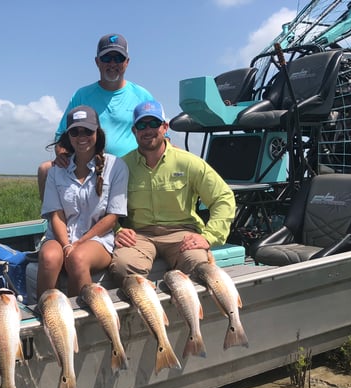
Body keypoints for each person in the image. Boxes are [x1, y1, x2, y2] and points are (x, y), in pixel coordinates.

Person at [110, 100, 236, 282]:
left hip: (182, 234)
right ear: (134, 130)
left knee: (199, 265)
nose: (148, 130)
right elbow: (102, 205)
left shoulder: (188, 162)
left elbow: (223, 197)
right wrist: (117, 230)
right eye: (141, 124)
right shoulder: (122, 166)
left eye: (154, 123)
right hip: (139, 235)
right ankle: (148, 310)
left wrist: (209, 237)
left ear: (165, 127)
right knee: (122, 267)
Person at [37, 33, 153, 199]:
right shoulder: (81, 95)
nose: (112, 63)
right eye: (106, 58)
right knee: (45, 170)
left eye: (118, 58)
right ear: (97, 62)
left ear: (127, 62)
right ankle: (53, 219)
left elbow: (163, 136)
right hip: (91, 169)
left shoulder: (143, 95)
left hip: (132, 170)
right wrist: (62, 155)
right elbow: (61, 137)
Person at [37, 105, 129, 298]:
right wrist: (66, 245)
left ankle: (80, 321)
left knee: (77, 259)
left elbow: (112, 217)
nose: (81, 137)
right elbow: (57, 214)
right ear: (68, 136)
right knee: (48, 257)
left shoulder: (116, 166)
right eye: (75, 132)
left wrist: (79, 244)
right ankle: (43, 312)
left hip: (97, 240)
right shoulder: (56, 170)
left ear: (97, 133)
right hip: (60, 237)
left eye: (87, 131)